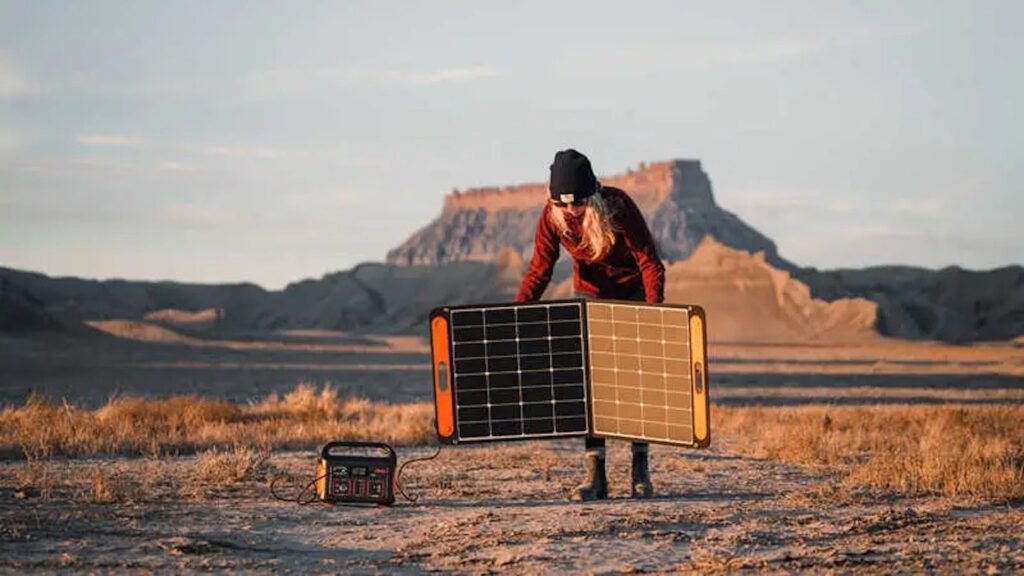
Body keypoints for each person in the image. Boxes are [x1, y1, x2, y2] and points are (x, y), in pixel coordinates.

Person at [515, 148, 666, 500]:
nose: (571, 211)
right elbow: (540, 269)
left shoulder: (618, 207)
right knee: (593, 386)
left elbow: (650, 263)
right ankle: (595, 475)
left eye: (578, 204)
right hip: (590, 296)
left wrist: (655, 313)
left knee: (632, 382)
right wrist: (518, 314)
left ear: (592, 194)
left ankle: (640, 469)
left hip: (632, 297)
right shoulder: (552, 217)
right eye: (563, 204)